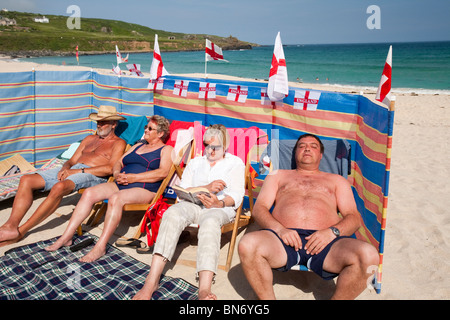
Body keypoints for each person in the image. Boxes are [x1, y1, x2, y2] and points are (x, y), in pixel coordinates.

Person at [238, 133, 379, 300]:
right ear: (295, 152)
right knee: (247, 244)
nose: (307, 148)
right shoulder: (277, 175)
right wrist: (280, 230)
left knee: (369, 256)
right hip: (281, 240)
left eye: (313, 146)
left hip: (327, 242)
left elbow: (353, 218)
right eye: (302, 145)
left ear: (321, 155)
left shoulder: (337, 180)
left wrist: (331, 232)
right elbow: (259, 209)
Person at [133, 124, 245, 300]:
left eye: (215, 146)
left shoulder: (235, 163)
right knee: (172, 214)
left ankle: (204, 289)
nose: (211, 150)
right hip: (193, 203)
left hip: (220, 208)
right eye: (207, 145)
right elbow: (182, 189)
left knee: (210, 223)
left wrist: (219, 202)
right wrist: (205, 188)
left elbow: (237, 196)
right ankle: (151, 281)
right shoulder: (196, 162)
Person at [45, 115, 173, 262]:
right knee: (89, 193)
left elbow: (163, 172)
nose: (146, 130)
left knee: (116, 199)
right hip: (121, 182)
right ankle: (66, 237)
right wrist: (117, 173)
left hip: (144, 187)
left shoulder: (166, 149)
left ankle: (100, 246)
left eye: (150, 128)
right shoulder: (138, 145)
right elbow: (118, 162)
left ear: (161, 133)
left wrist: (133, 178)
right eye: (146, 127)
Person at [0, 105, 127, 246]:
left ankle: (22, 231)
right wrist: (64, 169)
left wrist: (77, 171)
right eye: (98, 121)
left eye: (103, 122)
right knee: (27, 179)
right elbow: (71, 161)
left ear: (114, 124)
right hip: (74, 170)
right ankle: (10, 226)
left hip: (93, 174)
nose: (99, 125)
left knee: (59, 186)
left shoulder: (119, 143)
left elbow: (110, 169)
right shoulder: (89, 138)